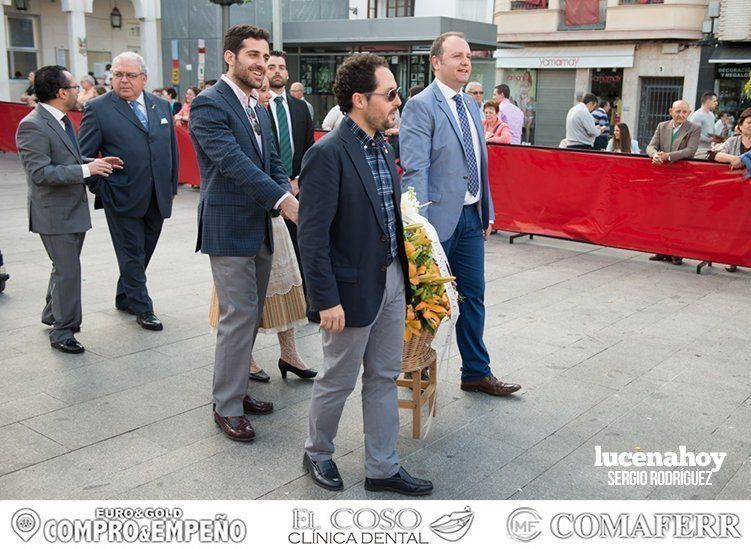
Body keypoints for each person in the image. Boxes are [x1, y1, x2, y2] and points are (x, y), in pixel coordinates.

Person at [299, 52, 433, 496]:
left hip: (392, 280)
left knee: (382, 376)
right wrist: (325, 300)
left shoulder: (383, 144)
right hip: (349, 291)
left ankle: (382, 466)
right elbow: (312, 238)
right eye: (390, 93)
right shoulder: (326, 154)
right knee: (337, 377)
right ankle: (318, 451)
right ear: (359, 99)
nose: (397, 101)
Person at [189, 25, 298, 442]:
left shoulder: (257, 106)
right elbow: (232, 162)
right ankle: (227, 406)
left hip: (261, 226)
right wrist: (282, 200)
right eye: (252, 55)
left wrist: (284, 190)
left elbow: (269, 160)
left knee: (250, 316)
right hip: (228, 227)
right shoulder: (209, 105)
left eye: (265, 57)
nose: (261, 64)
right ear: (230, 58)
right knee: (237, 318)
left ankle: (237, 388)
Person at [401, 32, 520, 398]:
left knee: (473, 294)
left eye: (468, 56)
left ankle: (475, 372)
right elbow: (415, 168)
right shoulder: (421, 105)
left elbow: (480, 165)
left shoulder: (471, 105)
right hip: (436, 221)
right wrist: (421, 226)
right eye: (457, 56)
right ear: (436, 62)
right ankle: (413, 366)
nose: (465, 62)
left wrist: (487, 211)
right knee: (427, 299)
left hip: (471, 217)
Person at [15, 65, 122, 354]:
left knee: (63, 267)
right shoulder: (32, 125)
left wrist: (96, 162)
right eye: (75, 87)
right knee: (68, 271)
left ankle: (52, 314)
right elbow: (41, 173)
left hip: (71, 210)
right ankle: (63, 331)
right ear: (61, 92)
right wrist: (86, 168)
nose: (79, 92)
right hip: (53, 213)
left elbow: (67, 159)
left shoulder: (61, 120)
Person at [79, 51, 179, 331]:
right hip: (120, 196)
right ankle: (143, 307)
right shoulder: (98, 109)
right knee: (131, 252)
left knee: (145, 249)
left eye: (130, 75)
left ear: (144, 79)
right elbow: (82, 156)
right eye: (118, 75)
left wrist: (171, 186)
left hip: (157, 195)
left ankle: (125, 295)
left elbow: (170, 150)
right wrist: (104, 188)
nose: (123, 80)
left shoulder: (160, 105)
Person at [645, 99, 701, 266]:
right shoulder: (662, 126)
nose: (681, 115)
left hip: (682, 179)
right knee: (662, 214)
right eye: (677, 111)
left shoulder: (694, 128)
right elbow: (650, 146)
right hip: (662, 180)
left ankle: (677, 253)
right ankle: (661, 250)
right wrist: (654, 154)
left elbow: (690, 150)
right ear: (671, 111)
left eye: (684, 112)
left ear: (689, 113)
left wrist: (667, 156)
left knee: (679, 216)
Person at [714, 108, 751, 273]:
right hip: (735, 193)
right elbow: (716, 155)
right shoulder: (733, 141)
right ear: (741, 125)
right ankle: (732, 259)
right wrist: (734, 158)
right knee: (734, 226)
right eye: (749, 123)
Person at [688, 91, 719, 159]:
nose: (716, 103)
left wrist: (716, 139)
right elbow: (694, 134)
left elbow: (712, 132)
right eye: (714, 101)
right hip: (698, 151)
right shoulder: (697, 115)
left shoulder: (712, 115)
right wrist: (709, 140)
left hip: (709, 149)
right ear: (708, 101)